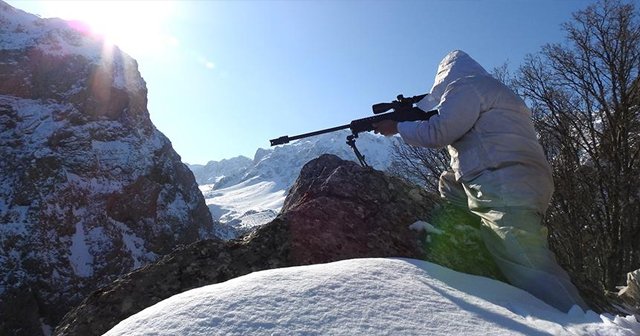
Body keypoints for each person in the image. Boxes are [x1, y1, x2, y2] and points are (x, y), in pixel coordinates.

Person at [373, 50, 587, 312]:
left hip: (504, 180)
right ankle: (471, 230)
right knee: (450, 182)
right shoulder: (492, 89)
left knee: (523, 256)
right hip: (516, 176)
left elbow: (438, 133)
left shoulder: (465, 87)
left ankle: (578, 318)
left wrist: (397, 127)